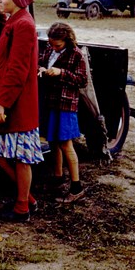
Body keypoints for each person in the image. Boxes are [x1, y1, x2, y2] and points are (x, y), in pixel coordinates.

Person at [0, 0, 44, 222]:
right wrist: (1, 7)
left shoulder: (24, 25)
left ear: (17, 0)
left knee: (21, 157)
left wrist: (3, 103)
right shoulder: (18, 19)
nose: (1, 0)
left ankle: (22, 209)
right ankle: (27, 200)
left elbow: (18, 69)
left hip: (16, 101)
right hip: (6, 96)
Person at [38, 22, 88, 204]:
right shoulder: (48, 50)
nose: (53, 47)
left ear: (67, 40)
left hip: (66, 105)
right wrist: (42, 69)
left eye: (57, 45)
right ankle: (57, 178)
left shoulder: (76, 55)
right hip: (50, 102)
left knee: (66, 144)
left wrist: (61, 73)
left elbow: (82, 80)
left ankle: (77, 187)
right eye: (51, 44)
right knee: (53, 141)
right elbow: (40, 63)